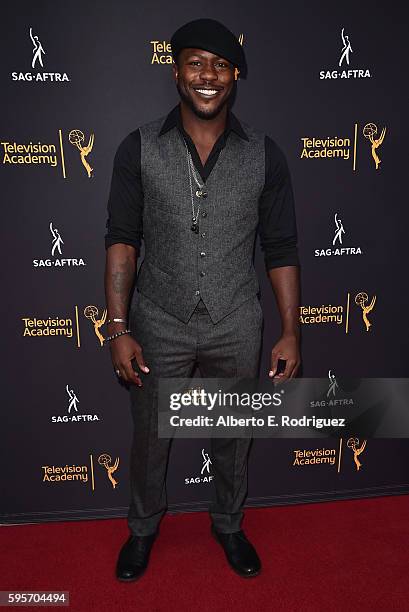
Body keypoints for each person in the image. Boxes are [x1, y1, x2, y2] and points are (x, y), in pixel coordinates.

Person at [104, 18, 301, 582]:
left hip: (235, 319)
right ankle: (142, 529)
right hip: (158, 317)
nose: (207, 75)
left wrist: (292, 330)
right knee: (149, 436)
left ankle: (229, 524)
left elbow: (281, 247)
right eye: (195, 63)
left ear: (234, 76)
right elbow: (122, 239)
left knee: (235, 434)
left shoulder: (265, 154)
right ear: (176, 73)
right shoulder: (137, 147)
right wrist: (118, 328)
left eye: (219, 64)